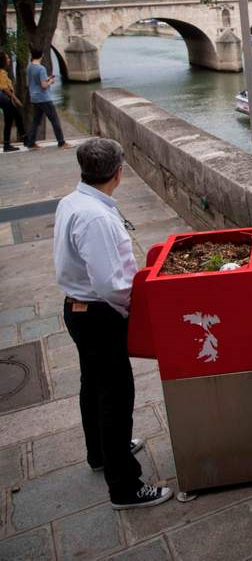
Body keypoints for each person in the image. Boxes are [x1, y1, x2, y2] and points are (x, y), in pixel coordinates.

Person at [54, 138, 172, 509]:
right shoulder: (97, 217)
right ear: (119, 172)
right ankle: (125, 486)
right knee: (116, 396)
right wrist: (133, 311)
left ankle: (102, 453)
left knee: (93, 387)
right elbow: (111, 284)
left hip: (78, 309)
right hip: (100, 314)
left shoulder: (72, 202)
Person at [24, 47, 69, 149]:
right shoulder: (41, 68)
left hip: (34, 97)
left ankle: (31, 143)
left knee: (36, 121)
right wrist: (50, 81)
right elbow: (44, 85)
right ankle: (61, 142)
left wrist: (46, 79)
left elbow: (35, 82)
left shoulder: (29, 67)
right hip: (44, 98)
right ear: (42, 55)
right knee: (55, 120)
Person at [0, 52, 26, 151]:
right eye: (7, 58)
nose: (9, 60)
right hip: (5, 101)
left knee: (15, 118)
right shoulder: (1, 73)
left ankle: (24, 138)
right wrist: (15, 98)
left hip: (6, 100)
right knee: (12, 119)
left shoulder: (3, 72)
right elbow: (5, 88)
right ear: (3, 61)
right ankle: (23, 139)